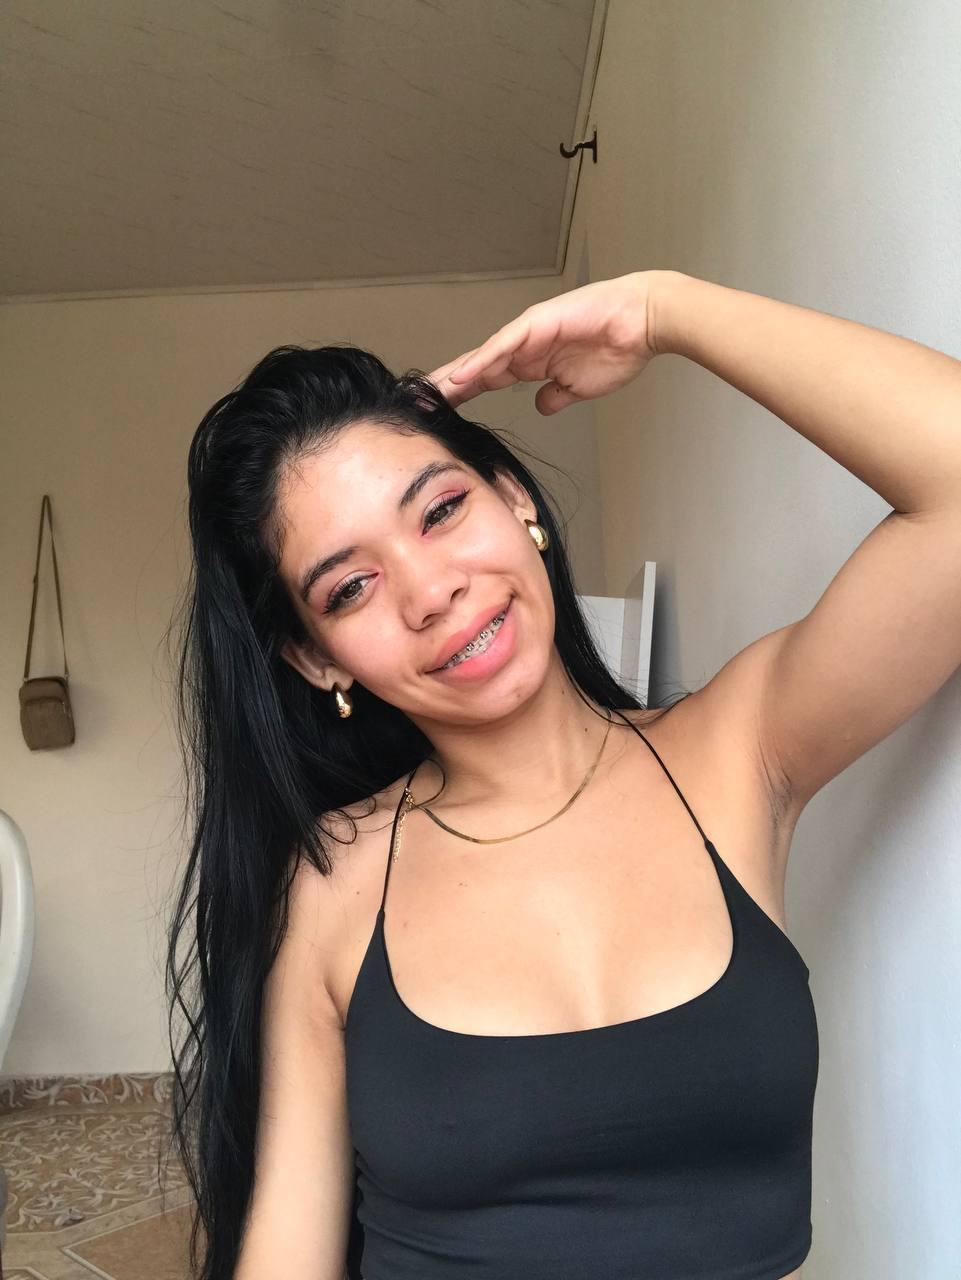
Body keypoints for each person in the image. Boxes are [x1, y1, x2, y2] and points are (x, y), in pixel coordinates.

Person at [166, 269, 961, 1280]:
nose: (430, 590)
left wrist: (664, 310)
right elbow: (289, 1248)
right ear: (319, 659)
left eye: (441, 509)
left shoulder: (737, 749)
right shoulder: (333, 879)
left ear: (512, 497)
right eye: (352, 585)